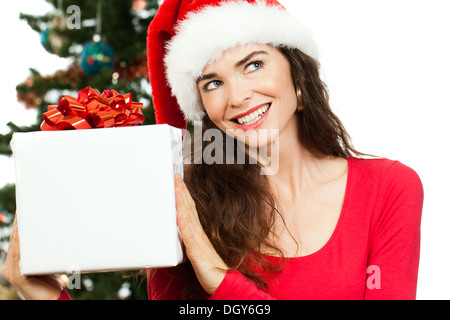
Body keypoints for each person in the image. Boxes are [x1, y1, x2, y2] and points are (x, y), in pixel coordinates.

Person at [3, 0, 423, 300]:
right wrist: (46, 298)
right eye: (213, 83)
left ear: (297, 72)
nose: (238, 96)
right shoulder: (189, 209)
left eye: (254, 64)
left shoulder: (390, 188)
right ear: (202, 106)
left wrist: (219, 278)